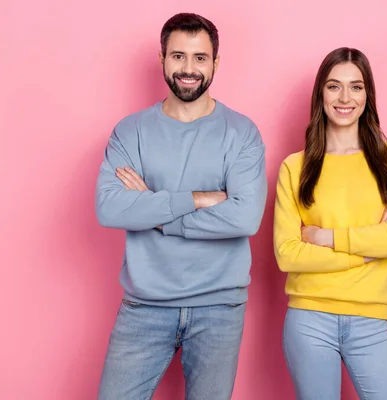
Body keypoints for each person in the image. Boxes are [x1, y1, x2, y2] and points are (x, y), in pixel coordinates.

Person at [95, 12, 267, 400]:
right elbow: (109, 207)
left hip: (219, 308)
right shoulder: (130, 131)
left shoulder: (242, 133)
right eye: (178, 56)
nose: (188, 69)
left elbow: (245, 216)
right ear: (162, 59)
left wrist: (155, 214)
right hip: (144, 305)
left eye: (199, 58)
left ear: (215, 63)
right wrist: (196, 198)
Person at [273, 47, 387, 400]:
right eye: (333, 86)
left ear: (367, 95)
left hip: (372, 320)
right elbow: (288, 255)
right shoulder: (296, 167)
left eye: (356, 87)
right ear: (320, 93)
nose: (344, 98)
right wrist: (369, 251)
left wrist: (325, 237)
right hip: (309, 319)